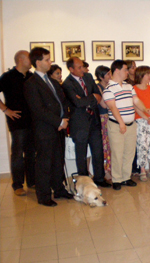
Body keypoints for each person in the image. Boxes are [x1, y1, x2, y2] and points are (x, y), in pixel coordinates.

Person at [23, 47, 72, 206]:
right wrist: (59, 122)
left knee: (58, 161)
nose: (50, 62)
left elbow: (63, 102)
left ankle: (59, 189)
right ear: (37, 62)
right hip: (44, 129)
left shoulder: (51, 80)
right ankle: (44, 196)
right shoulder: (31, 83)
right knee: (44, 163)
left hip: (59, 127)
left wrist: (64, 118)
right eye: (47, 59)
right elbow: (38, 110)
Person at [62, 57, 110, 188]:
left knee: (98, 151)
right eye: (78, 67)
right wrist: (91, 98)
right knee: (81, 155)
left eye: (82, 66)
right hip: (79, 124)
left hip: (94, 120)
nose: (82, 69)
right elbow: (77, 103)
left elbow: (98, 95)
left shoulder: (88, 77)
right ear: (71, 69)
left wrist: (87, 99)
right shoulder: (67, 83)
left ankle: (99, 178)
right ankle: (84, 182)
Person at [103, 60, 150, 190]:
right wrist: (121, 123)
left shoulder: (128, 86)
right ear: (117, 70)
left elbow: (136, 101)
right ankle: (117, 179)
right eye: (125, 69)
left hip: (131, 124)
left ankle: (126, 177)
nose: (127, 72)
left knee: (129, 152)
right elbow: (113, 108)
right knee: (117, 153)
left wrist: (145, 108)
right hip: (117, 125)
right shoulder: (108, 89)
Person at [0, 50, 35, 196]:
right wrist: (6, 110)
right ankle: (18, 185)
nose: (32, 60)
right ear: (20, 60)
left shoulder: (32, 77)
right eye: (29, 57)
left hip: (33, 120)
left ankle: (32, 182)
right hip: (17, 121)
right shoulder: (7, 77)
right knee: (18, 153)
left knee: (31, 153)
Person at [134, 66, 150, 181]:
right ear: (141, 75)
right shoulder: (134, 89)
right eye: (148, 74)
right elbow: (135, 106)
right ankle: (142, 170)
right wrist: (147, 118)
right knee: (142, 145)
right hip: (141, 120)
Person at [95, 66, 112, 182]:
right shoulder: (98, 87)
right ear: (101, 76)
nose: (110, 76)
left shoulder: (111, 86)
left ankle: (111, 168)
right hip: (103, 118)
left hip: (112, 117)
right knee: (105, 145)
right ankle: (105, 170)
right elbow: (104, 105)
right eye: (107, 75)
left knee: (111, 145)